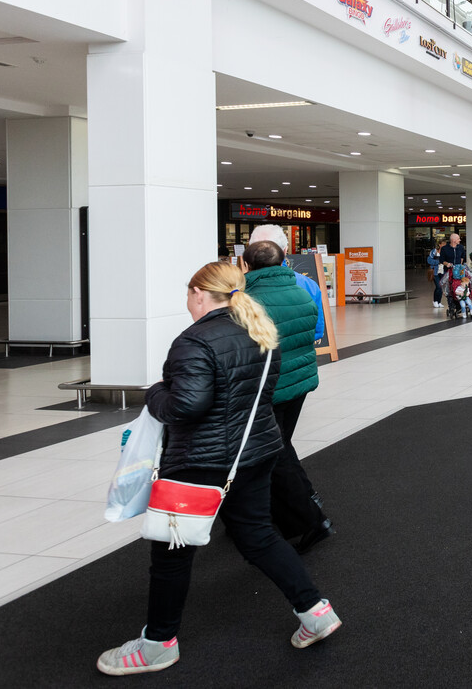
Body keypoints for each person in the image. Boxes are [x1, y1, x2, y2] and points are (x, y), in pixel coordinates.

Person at [96, 262, 341, 676]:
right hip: (256, 451)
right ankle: (316, 611)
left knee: (172, 552)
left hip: (201, 462)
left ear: (198, 293)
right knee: (259, 535)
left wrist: (155, 393)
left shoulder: (194, 340)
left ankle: (158, 643)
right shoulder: (261, 330)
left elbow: (184, 406)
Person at [241, 241, 333, 554]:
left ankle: (308, 514)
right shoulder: (303, 290)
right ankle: (290, 508)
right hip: (300, 381)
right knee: (280, 444)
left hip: (269, 387)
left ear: (246, 264)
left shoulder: (248, 301)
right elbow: (314, 330)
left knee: (274, 450)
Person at [249, 225, 325, 342]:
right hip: (302, 357)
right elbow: (317, 330)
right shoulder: (308, 284)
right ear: (285, 251)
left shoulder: (239, 288)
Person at [429, 232, 466, 313]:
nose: (460, 240)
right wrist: (447, 264)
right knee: (450, 288)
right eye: (458, 239)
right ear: (453, 240)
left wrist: (460, 264)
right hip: (448, 271)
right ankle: (451, 305)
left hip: (459, 271)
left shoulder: (460, 247)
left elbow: (463, 256)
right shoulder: (445, 249)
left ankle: (460, 304)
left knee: (459, 287)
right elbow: (441, 260)